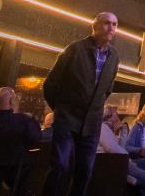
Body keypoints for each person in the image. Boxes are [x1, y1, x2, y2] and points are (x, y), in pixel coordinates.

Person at [41, 11, 122, 196]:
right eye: (107, 23)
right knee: (60, 165)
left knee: (84, 170)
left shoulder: (114, 56)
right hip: (68, 118)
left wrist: (95, 108)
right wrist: (61, 109)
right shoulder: (76, 49)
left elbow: (107, 89)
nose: (111, 28)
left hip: (92, 122)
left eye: (115, 24)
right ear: (95, 26)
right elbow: (51, 83)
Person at [98, 104, 145, 196]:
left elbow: (121, 147)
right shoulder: (103, 127)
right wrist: (132, 153)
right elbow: (112, 148)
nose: (118, 116)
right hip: (116, 163)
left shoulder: (110, 129)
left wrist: (124, 130)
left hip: (123, 160)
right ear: (110, 116)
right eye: (116, 114)